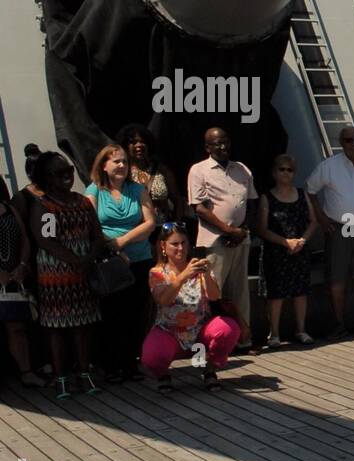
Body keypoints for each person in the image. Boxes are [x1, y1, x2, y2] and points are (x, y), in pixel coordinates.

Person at [28, 151, 111, 398]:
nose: (67, 177)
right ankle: (61, 376)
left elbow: (96, 234)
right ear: (47, 177)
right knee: (58, 328)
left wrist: (88, 258)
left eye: (69, 172)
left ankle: (84, 372)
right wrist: (75, 261)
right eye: (59, 173)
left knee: (83, 325)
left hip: (84, 273)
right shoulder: (46, 206)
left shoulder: (82, 202)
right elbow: (47, 240)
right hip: (56, 276)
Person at [85, 144, 157, 382]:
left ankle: (131, 363)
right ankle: (111, 365)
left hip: (139, 258)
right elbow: (91, 224)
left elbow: (150, 222)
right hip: (110, 261)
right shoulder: (94, 190)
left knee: (136, 313)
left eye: (125, 161)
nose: (122, 166)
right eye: (116, 161)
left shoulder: (137, 190)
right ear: (103, 165)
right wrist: (113, 248)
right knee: (112, 313)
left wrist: (122, 241)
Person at [306, 125, 354, 337]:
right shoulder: (329, 166)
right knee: (337, 277)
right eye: (349, 140)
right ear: (342, 143)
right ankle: (338, 324)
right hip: (341, 227)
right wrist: (320, 217)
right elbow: (310, 190)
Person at [142, 223, 241, 392]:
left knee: (227, 328)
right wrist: (182, 276)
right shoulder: (157, 272)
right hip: (170, 331)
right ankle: (163, 374)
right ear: (163, 246)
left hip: (199, 330)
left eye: (184, 243)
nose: (180, 248)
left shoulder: (197, 266)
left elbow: (215, 296)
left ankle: (208, 369)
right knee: (152, 356)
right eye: (174, 244)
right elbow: (163, 300)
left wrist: (207, 275)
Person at [188, 128, 256, 349]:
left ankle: (242, 339)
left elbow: (251, 202)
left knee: (240, 291)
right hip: (215, 241)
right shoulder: (199, 170)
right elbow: (199, 208)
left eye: (225, 142)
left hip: (240, 238)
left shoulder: (242, 169)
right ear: (207, 147)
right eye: (216, 143)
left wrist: (242, 230)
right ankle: (213, 341)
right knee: (213, 293)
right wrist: (228, 230)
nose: (222, 146)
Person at [256, 153, 317, 347]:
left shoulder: (302, 194)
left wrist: (302, 241)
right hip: (276, 251)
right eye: (281, 169)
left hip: (299, 249)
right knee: (276, 294)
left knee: (301, 292)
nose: (285, 173)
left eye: (289, 170)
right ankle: (274, 334)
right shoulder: (266, 197)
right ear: (274, 172)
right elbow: (261, 229)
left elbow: (313, 221)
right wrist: (285, 242)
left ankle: (301, 330)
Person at [0, 176, 43, 387]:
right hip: (2, 276)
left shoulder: (8, 208)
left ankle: (26, 371)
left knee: (17, 326)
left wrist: (23, 265)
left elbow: (25, 238)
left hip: (16, 276)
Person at [117, 123, 181, 223]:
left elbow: (177, 199)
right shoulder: (122, 171)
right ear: (125, 146)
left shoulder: (161, 169)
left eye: (142, 141)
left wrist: (176, 223)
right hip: (134, 229)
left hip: (162, 228)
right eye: (133, 142)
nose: (139, 145)